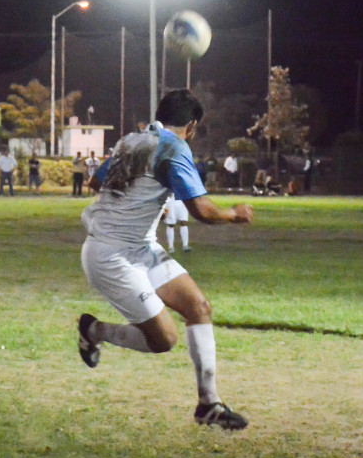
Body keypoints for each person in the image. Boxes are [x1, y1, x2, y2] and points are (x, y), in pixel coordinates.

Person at [77, 89, 254, 430]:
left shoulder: (131, 140)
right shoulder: (175, 148)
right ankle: (94, 330)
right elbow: (202, 211)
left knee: (199, 307)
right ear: (191, 125)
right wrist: (235, 214)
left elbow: (93, 181)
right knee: (164, 340)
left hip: (139, 247)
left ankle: (209, 405)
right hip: (111, 256)